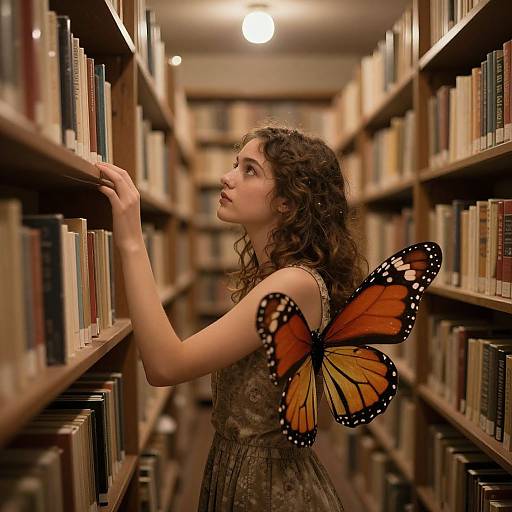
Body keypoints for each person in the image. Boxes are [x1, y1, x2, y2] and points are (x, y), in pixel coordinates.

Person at [96, 125, 367, 511]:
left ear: (288, 201)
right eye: (234, 165)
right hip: (241, 473)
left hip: (270, 491)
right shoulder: (276, 276)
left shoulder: (293, 284)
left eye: (249, 170)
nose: (227, 177)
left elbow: (165, 366)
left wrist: (130, 240)